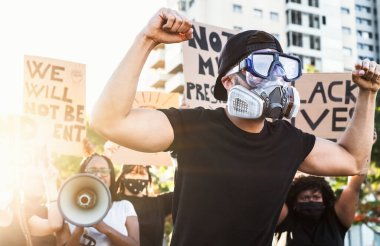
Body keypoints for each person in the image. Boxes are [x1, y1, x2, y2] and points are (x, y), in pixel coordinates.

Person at [90, 7, 379, 246]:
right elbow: (110, 120)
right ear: (228, 81)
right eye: (263, 65)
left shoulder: (289, 140)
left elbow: (353, 159)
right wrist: (147, 39)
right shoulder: (193, 128)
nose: (275, 78)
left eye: (281, 67)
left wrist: (367, 93)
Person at [59, 153, 140, 246]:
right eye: (92, 170)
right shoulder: (68, 210)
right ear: (82, 174)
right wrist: (78, 231)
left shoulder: (124, 206)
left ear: (111, 176)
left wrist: (106, 229)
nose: (98, 175)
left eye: (104, 171)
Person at [0, 150, 63, 246]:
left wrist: (50, 182)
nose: (40, 182)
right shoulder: (19, 212)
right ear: (20, 183)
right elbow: (55, 225)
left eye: (41, 179)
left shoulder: (45, 211)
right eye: (33, 178)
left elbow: (56, 225)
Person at [116, 164, 173, 246]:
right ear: (122, 176)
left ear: (148, 177)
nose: (138, 177)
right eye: (133, 173)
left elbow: (185, 192)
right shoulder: (112, 201)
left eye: (142, 173)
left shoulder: (160, 203)